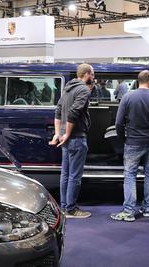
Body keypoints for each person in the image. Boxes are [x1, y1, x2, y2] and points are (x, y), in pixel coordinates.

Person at [110, 70, 149, 222]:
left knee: (130, 175)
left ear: (138, 81)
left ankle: (129, 211)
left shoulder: (127, 97)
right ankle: (147, 209)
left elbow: (118, 123)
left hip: (133, 143)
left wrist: (123, 139)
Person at [49, 63, 95, 218]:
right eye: (92, 74)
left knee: (66, 174)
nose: (93, 77)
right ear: (87, 74)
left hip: (64, 138)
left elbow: (58, 110)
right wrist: (67, 133)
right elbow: (74, 112)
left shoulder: (67, 88)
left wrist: (58, 133)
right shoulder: (83, 90)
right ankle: (71, 209)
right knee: (75, 175)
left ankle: (64, 207)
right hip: (75, 137)